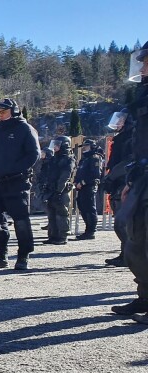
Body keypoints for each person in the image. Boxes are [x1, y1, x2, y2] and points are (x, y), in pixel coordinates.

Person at [0, 98, 42, 270]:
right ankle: (1, 256)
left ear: (14, 111)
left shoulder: (25, 129)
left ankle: (23, 256)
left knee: (21, 221)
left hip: (16, 182)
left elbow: (33, 154)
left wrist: (15, 170)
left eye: (3, 111)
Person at [115, 46, 148, 319]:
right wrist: (131, 179)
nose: (143, 67)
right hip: (142, 178)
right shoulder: (142, 98)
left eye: (147, 62)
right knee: (135, 240)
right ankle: (144, 297)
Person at [103, 109, 133, 266]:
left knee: (123, 223)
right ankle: (125, 254)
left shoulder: (131, 138)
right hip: (119, 182)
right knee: (120, 222)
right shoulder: (121, 138)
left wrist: (111, 176)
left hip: (126, 182)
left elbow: (128, 161)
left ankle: (129, 255)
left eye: (121, 119)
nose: (118, 121)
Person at [44, 135, 75, 246]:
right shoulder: (54, 158)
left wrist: (59, 190)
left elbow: (65, 176)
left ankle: (62, 236)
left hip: (61, 190)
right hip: (51, 190)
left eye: (57, 144)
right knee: (51, 213)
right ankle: (53, 236)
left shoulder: (68, 159)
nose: (55, 146)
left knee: (61, 213)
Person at [73, 138, 104, 240]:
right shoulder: (84, 159)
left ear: (92, 146)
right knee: (82, 207)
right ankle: (87, 229)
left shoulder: (95, 158)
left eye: (86, 146)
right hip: (81, 188)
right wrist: (76, 182)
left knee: (90, 208)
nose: (84, 149)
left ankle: (91, 231)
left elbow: (95, 174)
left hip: (89, 186)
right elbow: (79, 172)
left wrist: (82, 183)